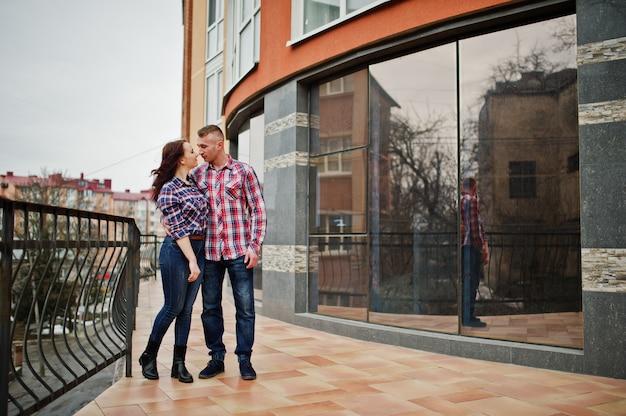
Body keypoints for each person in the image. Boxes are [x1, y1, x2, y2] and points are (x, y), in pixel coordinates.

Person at [189, 124, 267, 381]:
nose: (199, 151)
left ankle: (245, 359)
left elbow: (258, 210)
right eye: (197, 146)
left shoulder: (244, 172)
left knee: (245, 308)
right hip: (209, 253)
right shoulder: (197, 175)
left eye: (203, 146)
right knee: (210, 308)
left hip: (239, 252)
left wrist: (254, 246)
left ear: (219, 144)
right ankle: (216, 358)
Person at [139, 140, 208, 383]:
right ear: (181, 159)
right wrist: (192, 260)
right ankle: (149, 355)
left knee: (187, 309)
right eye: (192, 151)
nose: (197, 154)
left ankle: (179, 364)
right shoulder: (169, 189)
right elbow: (178, 230)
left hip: (198, 249)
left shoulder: (195, 184)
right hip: (178, 251)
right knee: (173, 307)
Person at [461, 177, 489, 327]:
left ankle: (467, 316)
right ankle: (468, 317)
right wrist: (482, 248)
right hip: (471, 246)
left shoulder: (462, 200)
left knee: (468, 282)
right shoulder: (471, 200)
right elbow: (474, 227)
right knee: (472, 282)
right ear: (474, 186)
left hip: (465, 246)